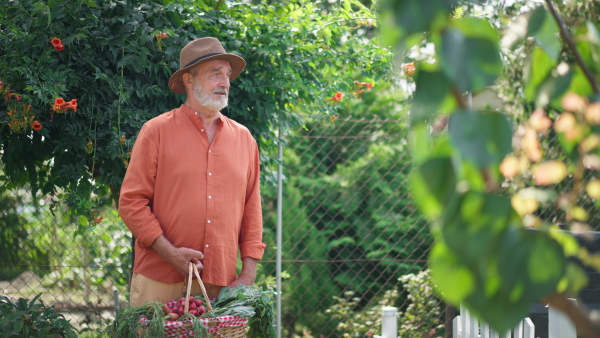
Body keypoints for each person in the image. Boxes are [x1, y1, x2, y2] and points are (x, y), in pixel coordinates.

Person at [118, 37, 267, 308]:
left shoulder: (245, 139)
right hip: (160, 278)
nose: (225, 82)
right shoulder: (156, 132)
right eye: (215, 74)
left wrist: (248, 273)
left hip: (221, 284)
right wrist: (170, 253)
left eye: (227, 75)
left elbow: (252, 211)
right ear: (188, 80)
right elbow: (131, 203)